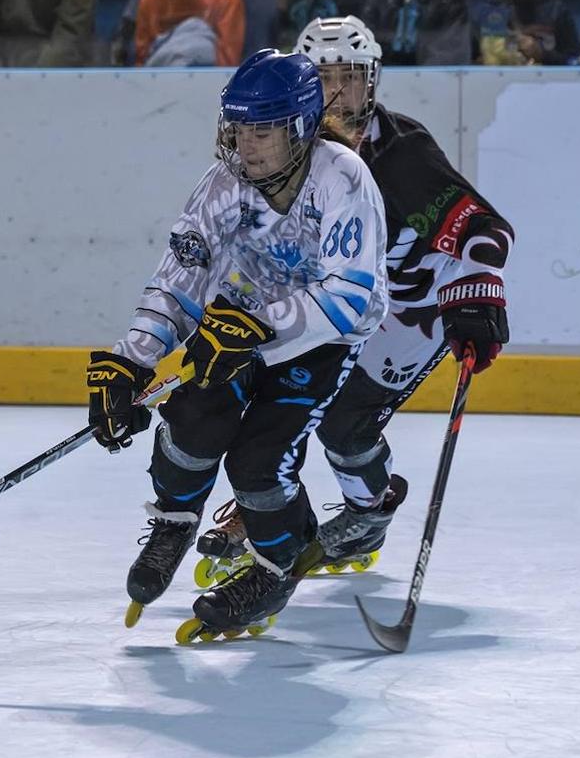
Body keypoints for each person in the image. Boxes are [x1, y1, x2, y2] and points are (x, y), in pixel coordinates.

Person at [194, 16, 514, 588]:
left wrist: (477, 289)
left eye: (351, 79)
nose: (339, 94)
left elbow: (485, 229)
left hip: (406, 310)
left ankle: (369, 511)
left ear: (374, 81)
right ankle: (272, 504)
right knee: (271, 391)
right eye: (323, 79)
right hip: (336, 299)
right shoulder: (283, 152)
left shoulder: (401, 152)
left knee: (344, 424)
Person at [86, 49, 390, 641]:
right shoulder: (222, 185)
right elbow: (180, 279)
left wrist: (262, 329)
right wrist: (132, 359)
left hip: (319, 343)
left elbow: (350, 296)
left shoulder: (343, 177)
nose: (245, 144)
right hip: (235, 328)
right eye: (238, 127)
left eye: (262, 130)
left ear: (300, 127)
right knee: (192, 418)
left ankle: (277, 566)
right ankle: (174, 522)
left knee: (258, 461)